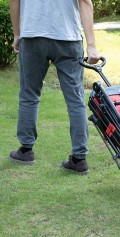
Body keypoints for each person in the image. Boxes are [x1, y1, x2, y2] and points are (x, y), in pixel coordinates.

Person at [9, 0, 101, 174]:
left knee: (29, 95)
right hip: (68, 37)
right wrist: (91, 45)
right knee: (75, 100)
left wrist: (17, 34)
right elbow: (85, 2)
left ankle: (26, 151)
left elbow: (14, 2)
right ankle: (79, 158)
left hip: (33, 36)